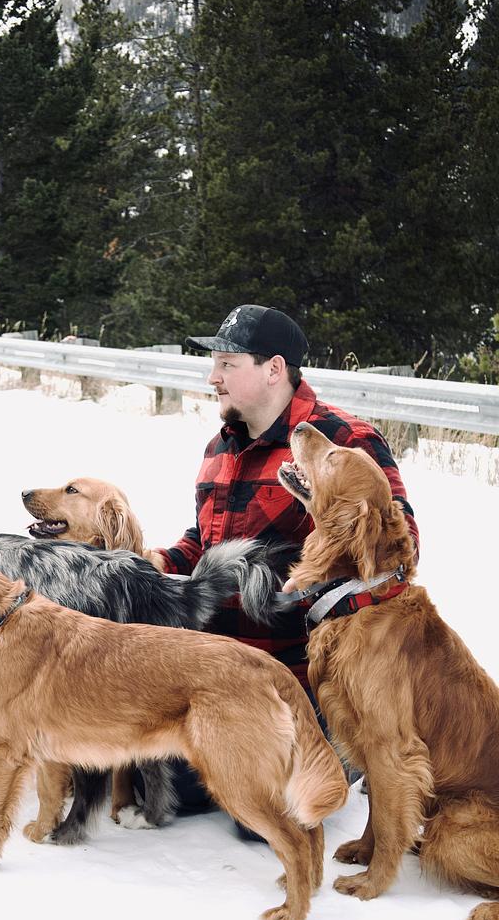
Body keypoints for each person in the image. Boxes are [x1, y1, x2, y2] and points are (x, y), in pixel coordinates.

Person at [145, 304, 419, 818]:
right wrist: (157, 561)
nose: (213, 378)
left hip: (296, 673)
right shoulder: (220, 445)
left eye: (227, 364)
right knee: (159, 782)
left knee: (271, 810)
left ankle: (345, 743)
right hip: (220, 668)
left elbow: (399, 549)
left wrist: (309, 577)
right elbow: (205, 540)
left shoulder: (344, 442)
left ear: (273, 369)